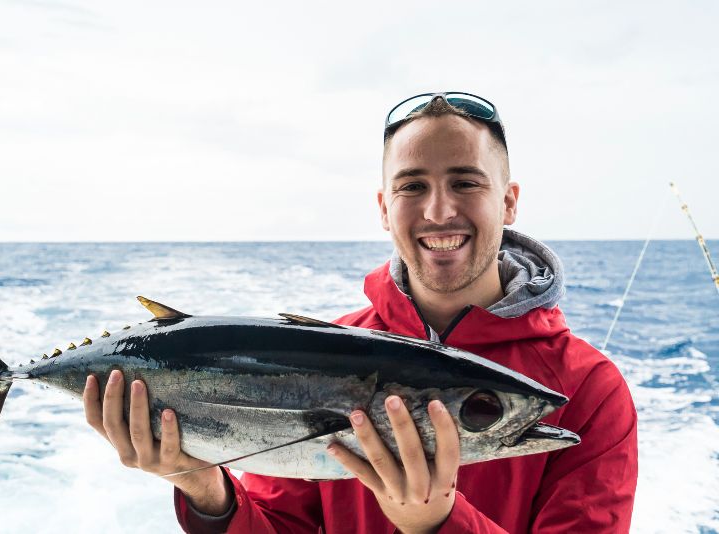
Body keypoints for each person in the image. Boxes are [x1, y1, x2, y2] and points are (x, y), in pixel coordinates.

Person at [83, 92, 638, 533]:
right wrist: (206, 490)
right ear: (383, 207)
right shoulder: (324, 354)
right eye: (412, 186)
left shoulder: (587, 390)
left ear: (509, 200)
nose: (439, 210)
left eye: (465, 182)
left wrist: (437, 525)